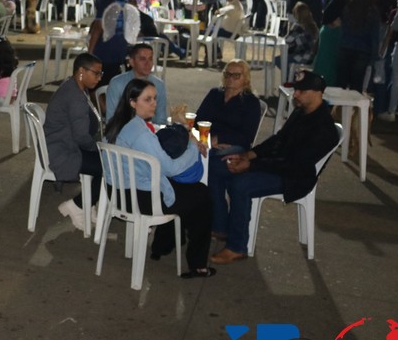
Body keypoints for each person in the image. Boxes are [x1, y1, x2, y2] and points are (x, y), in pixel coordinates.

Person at [209, 71, 339, 264]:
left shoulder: (323, 128)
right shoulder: (301, 111)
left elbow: (295, 164)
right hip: (278, 164)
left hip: (295, 177)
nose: (295, 95)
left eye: (302, 91)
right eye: (296, 90)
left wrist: (251, 165)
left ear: (317, 93)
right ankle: (220, 226)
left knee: (241, 184)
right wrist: (248, 155)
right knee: (218, 166)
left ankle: (237, 246)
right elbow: (278, 141)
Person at [105, 79, 216, 279]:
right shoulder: (140, 132)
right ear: (132, 102)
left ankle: (162, 246)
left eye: (155, 98)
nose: (154, 103)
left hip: (118, 193)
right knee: (201, 193)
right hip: (139, 199)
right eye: (147, 99)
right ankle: (198, 264)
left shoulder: (118, 123)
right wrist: (192, 145)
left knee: (179, 189)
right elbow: (171, 168)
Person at [193, 60, 264, 238]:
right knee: (202, 165)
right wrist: (207, 139)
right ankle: (215, 224)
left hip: (235, 147)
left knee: (210, 168)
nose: (231, 78)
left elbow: (247, 136)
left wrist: (221, 139)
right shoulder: (214, 94)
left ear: (245, 78)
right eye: (228, 74)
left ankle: (216, 224)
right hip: (208, 143)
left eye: (236, 75)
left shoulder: (250, 102)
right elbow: (198, 121)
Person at [44, 52, 106, 230]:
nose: (99, 78)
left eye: (100, 74)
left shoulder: (74, 86)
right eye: (96, 73)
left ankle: (88, 204)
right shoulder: (75, 96)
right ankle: (77, 205)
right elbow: (81, 137)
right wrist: (99, 148)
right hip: (64, 151)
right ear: (81, 71)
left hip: (64, 143)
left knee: (106, 161)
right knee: (110, 166)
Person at [88, 0, 140, 84]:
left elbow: (98, 29)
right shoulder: (125, 3)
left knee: (94, 83)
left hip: (104, 52)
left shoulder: (105, 2)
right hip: (120, 51)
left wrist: (89, 53)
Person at [104, 43, 169, 125]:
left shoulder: (159, 85)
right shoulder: (117, 84)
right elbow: (111, 120)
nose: (148, 63)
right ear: (132, 62)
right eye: (142, 59)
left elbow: (161, 119)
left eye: (150, 59)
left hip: (152, 130)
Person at [337, 0, 380, 92]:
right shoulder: (373, 12)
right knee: (357, 83)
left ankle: (338, 102)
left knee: (341, 81)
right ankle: (354, 103)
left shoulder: (348, 9)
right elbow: (374, 36)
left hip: (346, 46)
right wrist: (374, 56)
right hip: (363, 50)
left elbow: (342, 29)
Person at [280, 1, 319, 80]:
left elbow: (288, 41)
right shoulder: (313, 26)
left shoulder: (298, 27)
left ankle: (289, 79)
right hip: (311, 57)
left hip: (301, 57)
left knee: (279, 60)